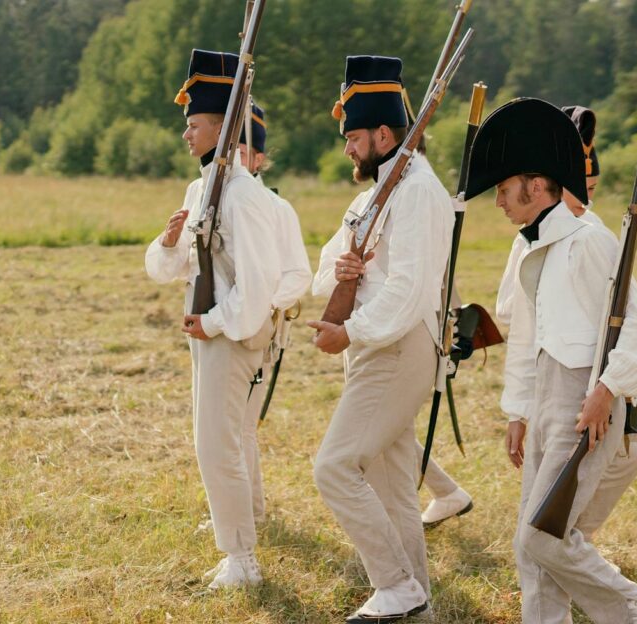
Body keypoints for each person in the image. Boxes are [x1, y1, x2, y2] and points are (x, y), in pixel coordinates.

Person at [464, 98, 637, 624]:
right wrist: (517, 411)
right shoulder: (535, 247)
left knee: (544, 536)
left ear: (536, 187)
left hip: (585, 402)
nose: (499, 204)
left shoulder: (590, 243)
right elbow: (528, 338)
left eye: (506, 191)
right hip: (547, 399)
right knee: (528, 543)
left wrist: (606, 390)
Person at [305, 55, 453, 622]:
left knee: (334, 468)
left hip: (396, 346)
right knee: (393, 489)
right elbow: (325, 269)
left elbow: (409, 293)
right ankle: (416, 602)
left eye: (353, 136)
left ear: (384, 134)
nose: (347, 148)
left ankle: (394, 585)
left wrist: (352, 331)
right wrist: (341, 275)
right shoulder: (372, 197)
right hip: (375, 347)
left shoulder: (416, 192)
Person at [144, 49, 281, 590]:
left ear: (223, 127)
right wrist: (170, 239)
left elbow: (258, 284)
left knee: (217, 444)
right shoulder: (201, 188)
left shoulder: (244, 195)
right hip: (207, 330)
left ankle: (243, 560)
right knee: (214, 442)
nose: (186, 134)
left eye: (194, 124)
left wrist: (216, 322)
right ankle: (236, 549)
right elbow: (168, 268)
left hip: (228, 333)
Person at [232, 102, 313, 525]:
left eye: (245, 151)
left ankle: (251, 512)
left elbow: (299, 274)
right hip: (223, 329)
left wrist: (262, 306)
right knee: (227, 427)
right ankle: (241, 509)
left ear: (260, 158)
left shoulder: (275, 208)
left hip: (260, 332)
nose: (237, 158)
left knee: (241, 427)